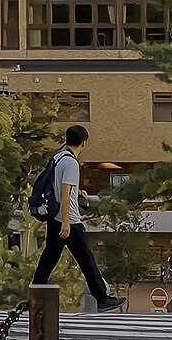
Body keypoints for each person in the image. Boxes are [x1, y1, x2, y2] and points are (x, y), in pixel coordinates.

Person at [32, 125, 124, 312]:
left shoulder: (58, 158)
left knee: (49, 258)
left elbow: (62, 189)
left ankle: (35, 292)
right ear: (85, 142)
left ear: (67, 140)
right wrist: (66, 221)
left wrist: (77, 193)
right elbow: (65, 193)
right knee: (86, 260)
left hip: (54, 218)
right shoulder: (71, 163)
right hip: (70, 221)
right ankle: (103, 299)